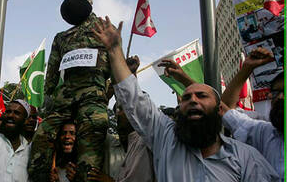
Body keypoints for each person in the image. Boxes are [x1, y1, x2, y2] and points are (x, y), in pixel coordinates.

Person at [91, 16, 279, 181]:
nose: (193, 100)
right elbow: (134, 99)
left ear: (219, 109)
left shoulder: (246, 158)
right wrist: (115, 51)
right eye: (186, 97)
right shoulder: (165, 139)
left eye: (202, 96)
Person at [29, 0, 111, 181]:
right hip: (77, 95)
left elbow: (115, 58)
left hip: (84, 94)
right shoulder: (65, 37)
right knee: (46, 134)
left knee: (87, 133)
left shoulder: (100, 29)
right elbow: (52, 70)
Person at [220, 47, 284, 181]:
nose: (280, 97)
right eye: (276, 93)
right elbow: (224, 108)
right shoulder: (264, 133)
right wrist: (247, 69)